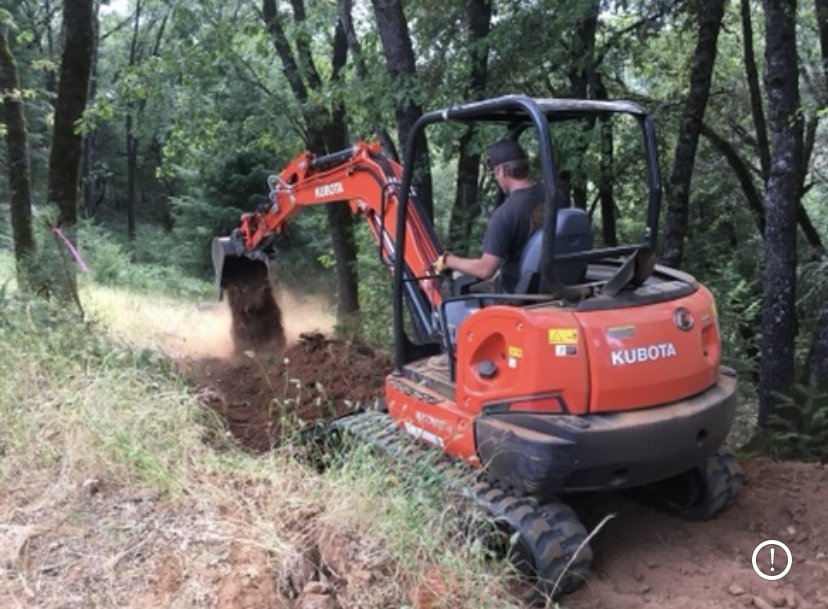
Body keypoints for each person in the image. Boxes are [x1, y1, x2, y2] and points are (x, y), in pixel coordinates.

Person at [434, 139, 543, 293]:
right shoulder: (555, 196)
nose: (496, 178)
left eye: (495, 173)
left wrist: (448, 260)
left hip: (519, 294)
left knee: (456, 301)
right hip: (553, 285)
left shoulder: (505, 214)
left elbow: (485, 270)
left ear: (502, 171)